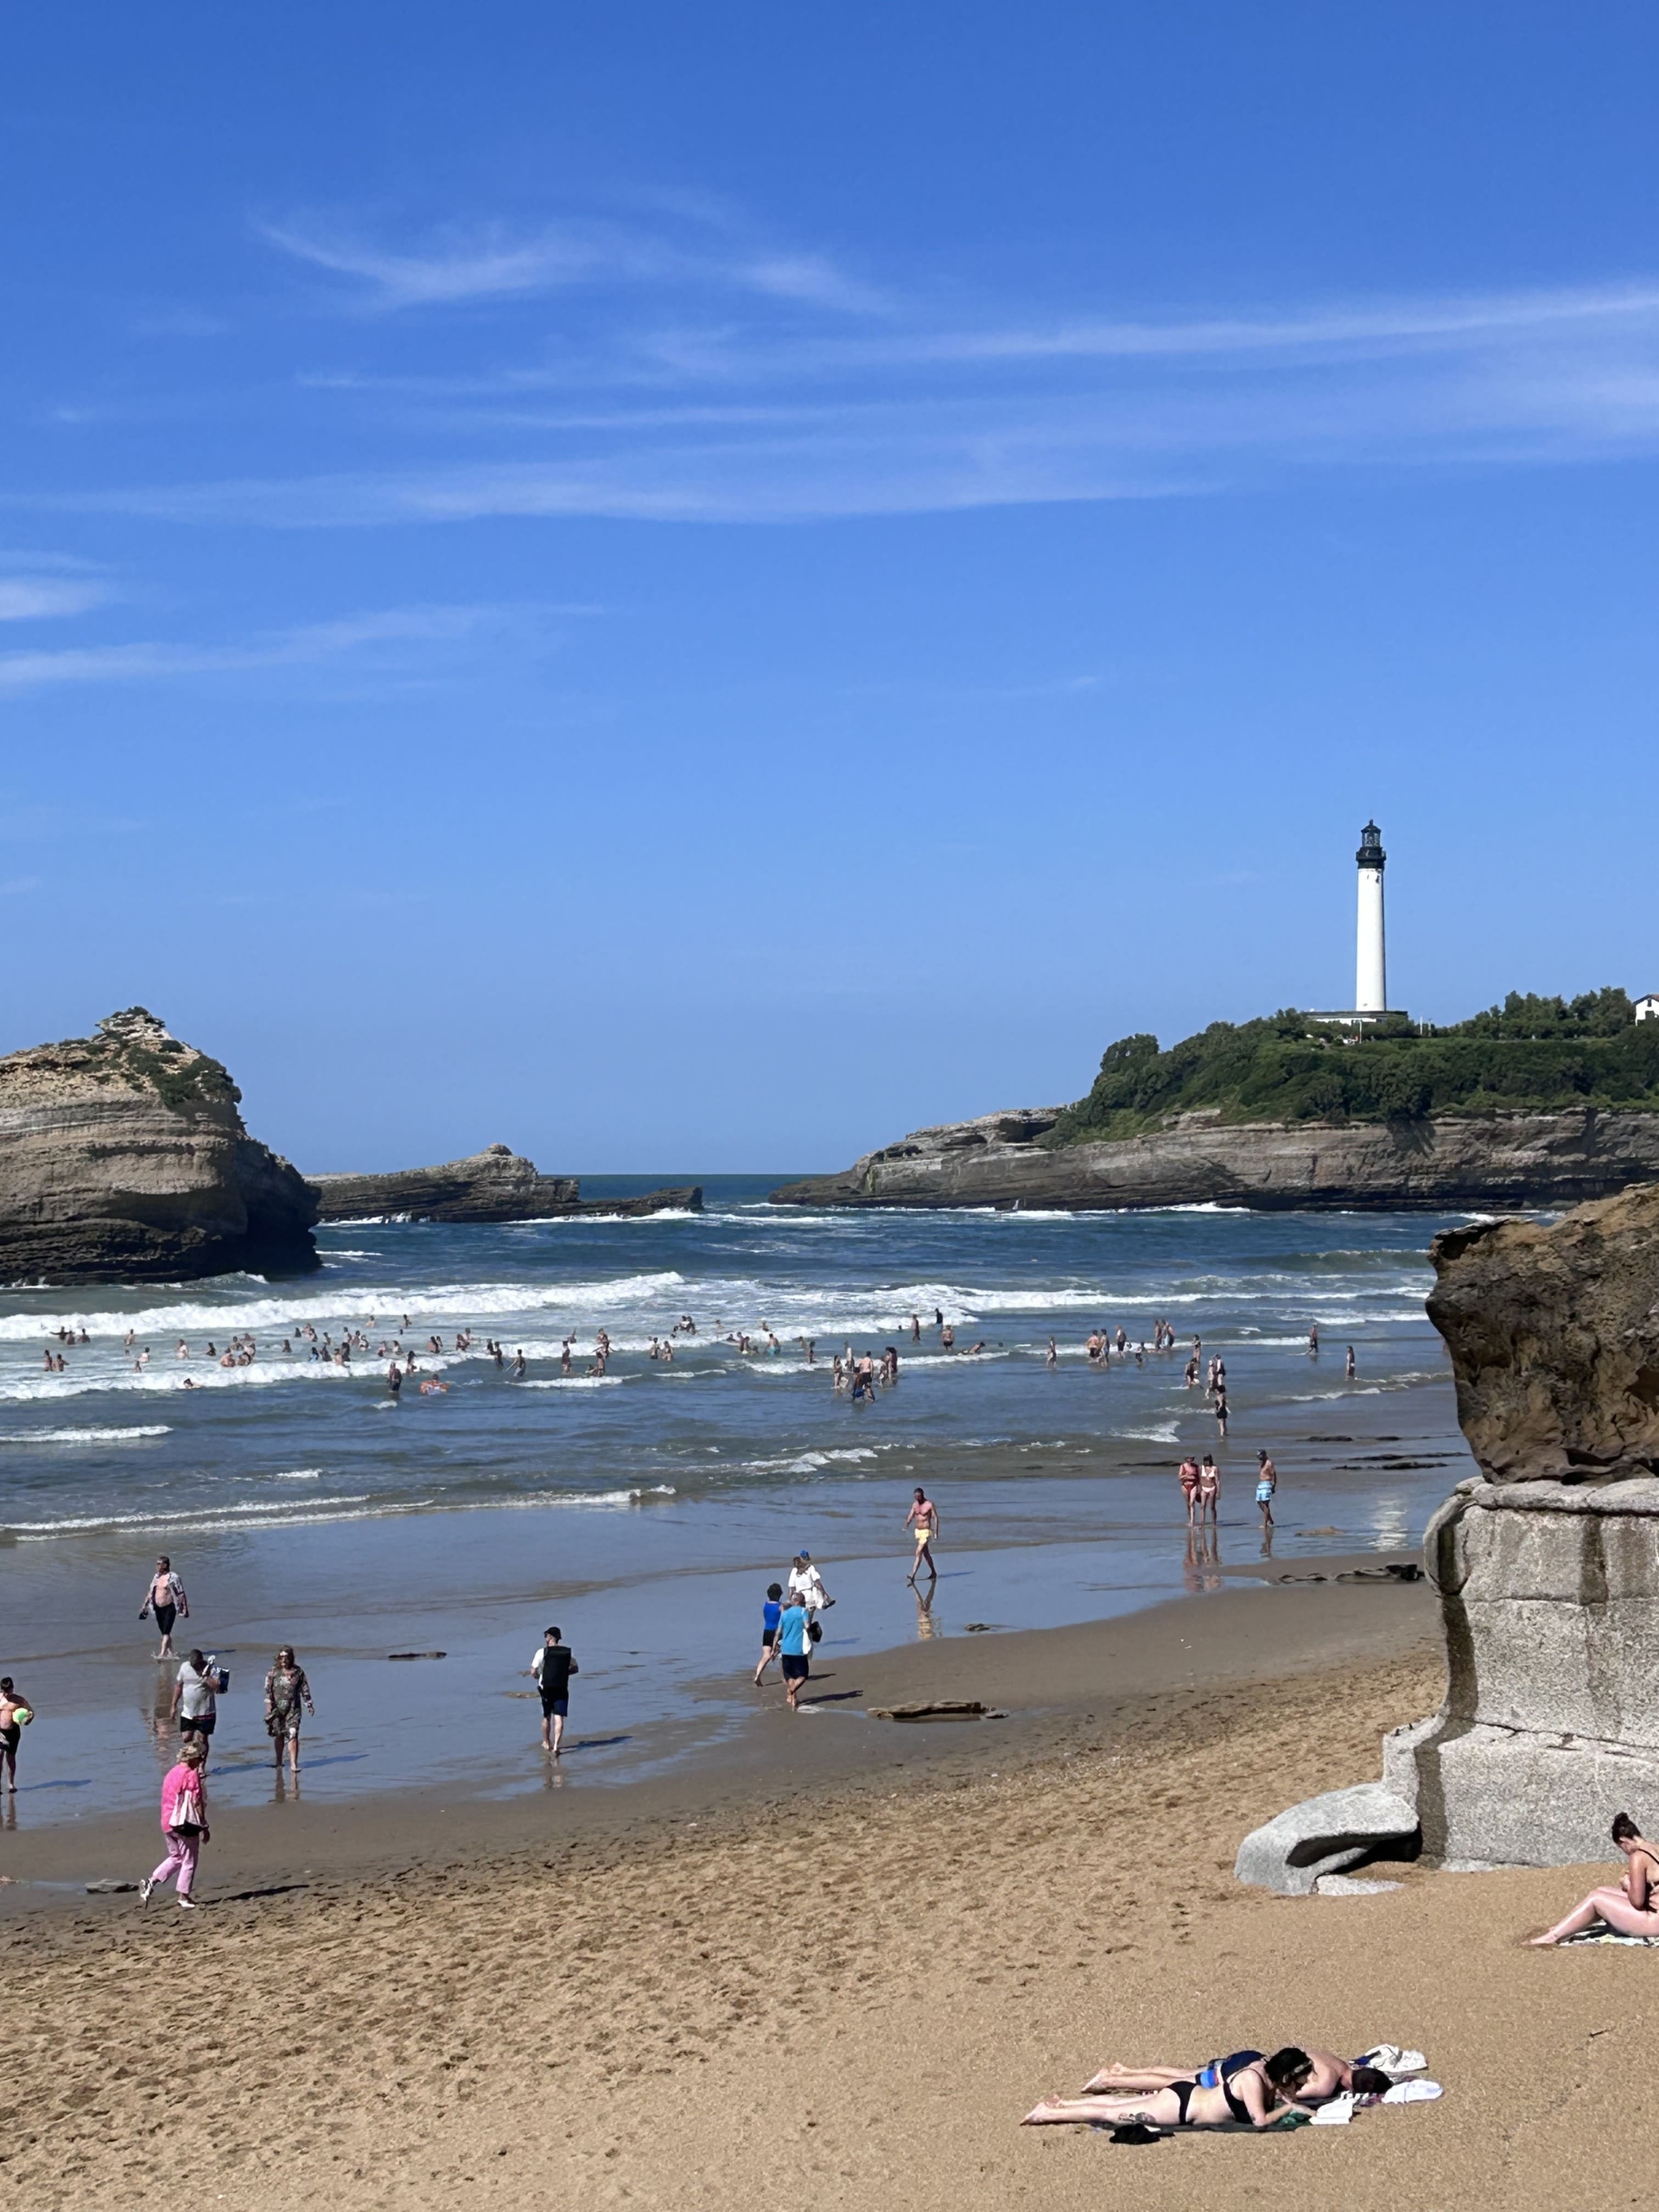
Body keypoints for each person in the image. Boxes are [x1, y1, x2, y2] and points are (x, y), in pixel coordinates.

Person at [1022, 2046, 1319, 2130]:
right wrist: (1290, 2108)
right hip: (1182, 2107)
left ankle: (1062, 2105)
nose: (1302, 2086)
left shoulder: (1263, 2071)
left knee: (1117, 2105)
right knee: (1111, 2113)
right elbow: (1260, 2121)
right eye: (1299, 2081)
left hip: (1187, 2097)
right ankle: (1047, 2113)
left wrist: (1290, 2100)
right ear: (1285, 2077)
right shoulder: (1253, 2081)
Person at [1531, 1811, 1659, 1944]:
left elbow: (1637, 1902)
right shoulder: (1655, 1847)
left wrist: (1628, 1886)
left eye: (1622, 1848)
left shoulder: (1638, 1857)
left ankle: (1552, 1938)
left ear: (1623, 1841)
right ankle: (1562, 1927)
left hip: (1654, 1921)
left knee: (1596, 1899)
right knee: (1601, 1890)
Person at [141, 1738, 209, 1911]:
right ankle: (183, 1897)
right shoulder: (190, 1774)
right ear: (192, 1759)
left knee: (176, 1857)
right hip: (184, 1822)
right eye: (200, 1758)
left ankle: (151, 1881)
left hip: (167, 1821)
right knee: (189, 1860)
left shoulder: (171, 1773)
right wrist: (204, 1825)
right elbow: (197, 1801)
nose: (201, 1762)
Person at [264, 1648, 315, 1774]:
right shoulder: (273, 1672)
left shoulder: (298, 1672)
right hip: (277, 1709)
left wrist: (309, 1705)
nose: (284, 1660)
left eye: (286, 1658)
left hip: (293, 1709)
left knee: (293, 1734)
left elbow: (304, 1689)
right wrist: (269, 1708)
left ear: (291, 1658)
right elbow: (268, 1691)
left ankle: (293, 1764)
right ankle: (279, 1761)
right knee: (279, 1735)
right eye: (281, 1658)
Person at [171, 1649, 226, 1762]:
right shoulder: (185, 1667)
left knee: (202, 1740)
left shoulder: (212, 1669)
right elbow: (178, 1686)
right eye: (193, 1665)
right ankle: (193, 1759)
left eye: (197, 1664)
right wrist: (173, 1705)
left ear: (201, 1661)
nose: (195, 1667)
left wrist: (206, 1677)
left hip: (206, 1712)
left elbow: (218, 1688)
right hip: (188, 1712)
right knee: (186, 1738)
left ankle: (201, 1766)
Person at [531, 1625, 578, 1756]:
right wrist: (563, 1674)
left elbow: (533, 1671)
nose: (545, 1639)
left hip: (546, 1687)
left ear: (550, 1638)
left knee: (547, 1716)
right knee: (559, 1717)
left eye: (546, 1636)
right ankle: (556, 1746)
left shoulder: (542, 1652)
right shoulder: (566, 1653)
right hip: (561, 1686)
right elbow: (575, 1669)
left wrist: (537, 1676)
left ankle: (547, 1743)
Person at [140, 1555, 188, 1660]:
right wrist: (145, 1605)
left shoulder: (174, 1577)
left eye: (159, 1564)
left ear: (165, 1565)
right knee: (165, 1632)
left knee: (166, 1632)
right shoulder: (156, 1577)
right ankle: (172, 1653)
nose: (157, 1566)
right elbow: (150, 1591)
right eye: (157, 1564)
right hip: (158, 1607)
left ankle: (162, 1654)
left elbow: (181, 1593)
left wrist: (185, 1608)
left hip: (170, 1607)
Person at [775, 1592, 811, 1711]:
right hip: (798, 1649)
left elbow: (778, 1631)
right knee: (803, 1675)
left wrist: (774, 1646)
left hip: (786, 1649)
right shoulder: (803, 1612)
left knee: (790, 1675)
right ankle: (791, 1690)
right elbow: (807, 1626)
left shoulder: (785, 1614)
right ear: (800, 1602)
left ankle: (793, 1700)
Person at [0, 1678, 33, 1791]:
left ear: (13, 1689)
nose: (7, 1694)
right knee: (0, 1756)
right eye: (5, 1692)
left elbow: (31, 1712)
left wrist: (27, 1720)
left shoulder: (19, 1701)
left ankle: (11, 1784)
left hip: (13, 1732)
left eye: (9, 1691)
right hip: (0, 1732)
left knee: (10, 1758)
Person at [904, 1487, 939, 1583]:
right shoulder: (915, 1505)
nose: (917, 1499)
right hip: (918, 1532)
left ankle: (913, 1574)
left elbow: (935, 1518)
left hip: (926, 1531)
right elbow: (911, 1515)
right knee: (926, 1554)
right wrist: (906, 1524)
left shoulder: (929, 1504)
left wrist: (936, 1532)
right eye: (916, 1497)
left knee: (918, 1551)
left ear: (922, 1495)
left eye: (919, 1497)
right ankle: (933, 1572)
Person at [753, 1583, 785, 1685]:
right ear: (779, 1594)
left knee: (765, 1655)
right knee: (781, 1655)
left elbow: (766, 1617)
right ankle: (785, 1677)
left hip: (767, 1631)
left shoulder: (766, 1605)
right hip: (778, 1632)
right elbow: (784, 1620)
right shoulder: (781, 1606)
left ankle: (758, 1675)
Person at [1255, 1450, 1277, 1528]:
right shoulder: (1262, 1463)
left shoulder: (1268, 1463)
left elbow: (1273, 1474)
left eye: (1260, 1456)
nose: (1259, 1458)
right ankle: (1270, 1519)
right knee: (1259, 1502)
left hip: (1267, 1484)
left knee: (1265, 1504)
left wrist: (1274, 1485)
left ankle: (1265, 1524)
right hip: (1261, 1483)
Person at [1178, 1455, 1201, 1526]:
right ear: (1186, 1459)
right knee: (1188, 1503)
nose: (1191, 1459)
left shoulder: (1196, 1466)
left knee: (1192, 1503)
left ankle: (1192, 1521)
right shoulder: (1183, 1466)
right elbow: (1179, 1477)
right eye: (1189, 1458)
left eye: (1192, 1458)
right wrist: (1187, 1476)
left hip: (1194, 1485)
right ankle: (1190, 1519)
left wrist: (1199, 1487)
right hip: (1185, 1485)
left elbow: (1199, 1478)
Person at [1198, 1453, 1220, 1524]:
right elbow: (1199, 1479)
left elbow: (1217, 1480)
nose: (1207, 1462)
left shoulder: (1215, 1468)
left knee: (1212, 1507)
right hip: (1204, 1488)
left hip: (1212, 1488)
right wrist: (1199, 1488)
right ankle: (1202, 1522)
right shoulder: (1201, 1468)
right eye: (1205, 1460)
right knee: (1202, 1506)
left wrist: (1218, 1491)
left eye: (1208, 1460)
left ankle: (1214, 1522)